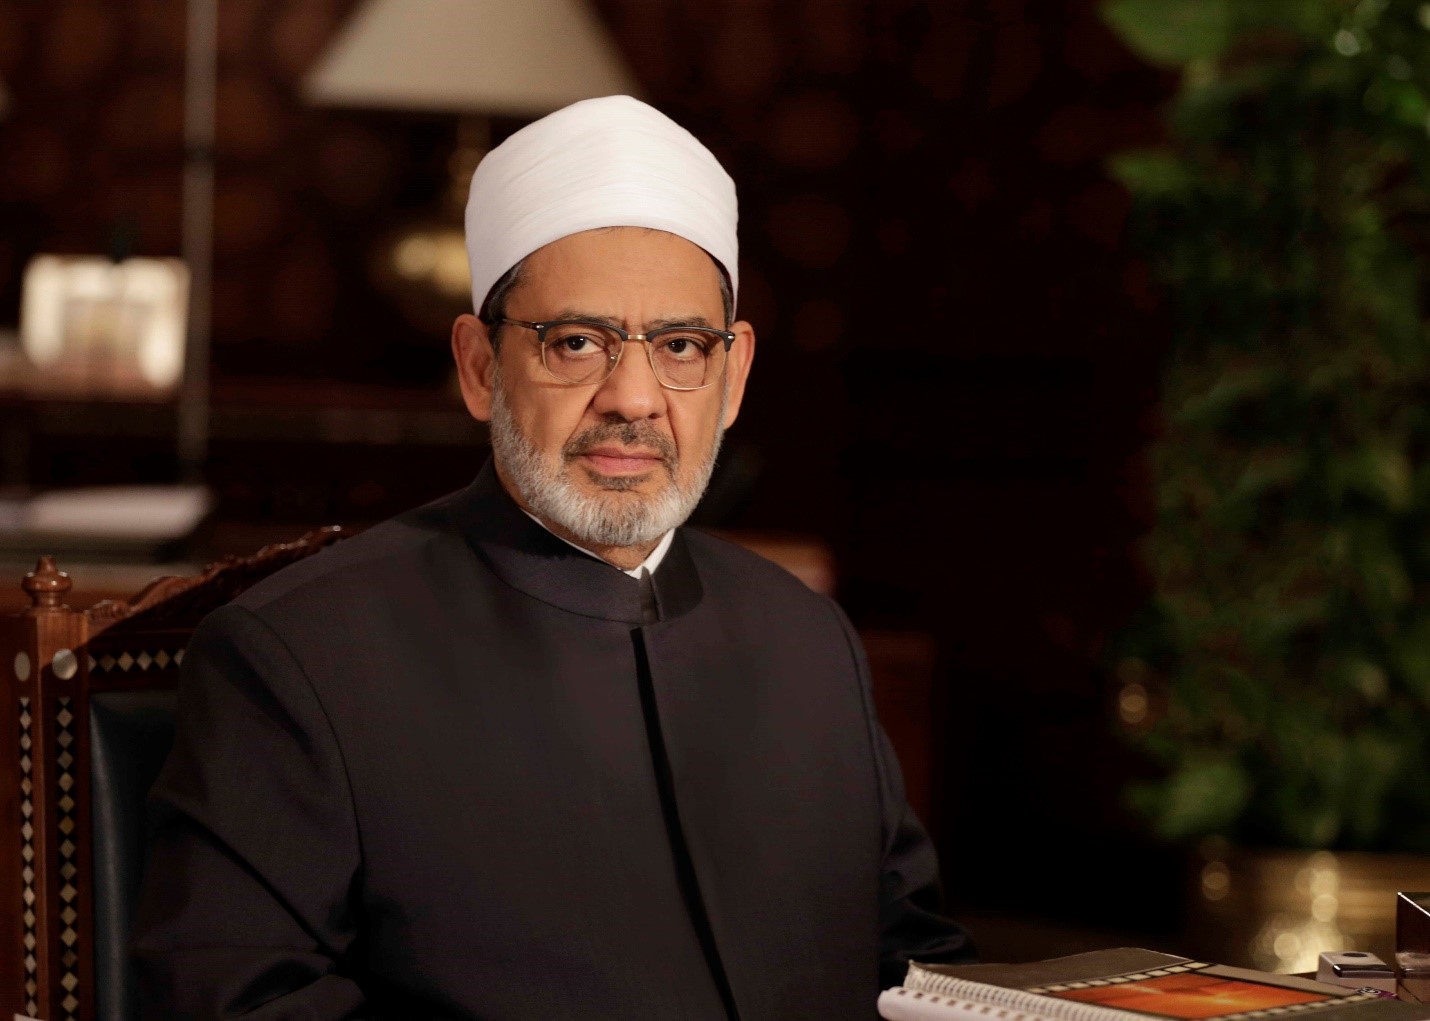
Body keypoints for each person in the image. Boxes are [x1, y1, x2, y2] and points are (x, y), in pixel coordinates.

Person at [133, 95, 971, 1019]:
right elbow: (233, 1003)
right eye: (577, 343)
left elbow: (918, 971)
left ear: (732, 377)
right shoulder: (299, 657)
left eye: (681, 346)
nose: (634, 398)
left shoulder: (809, 639)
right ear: (480, 367)